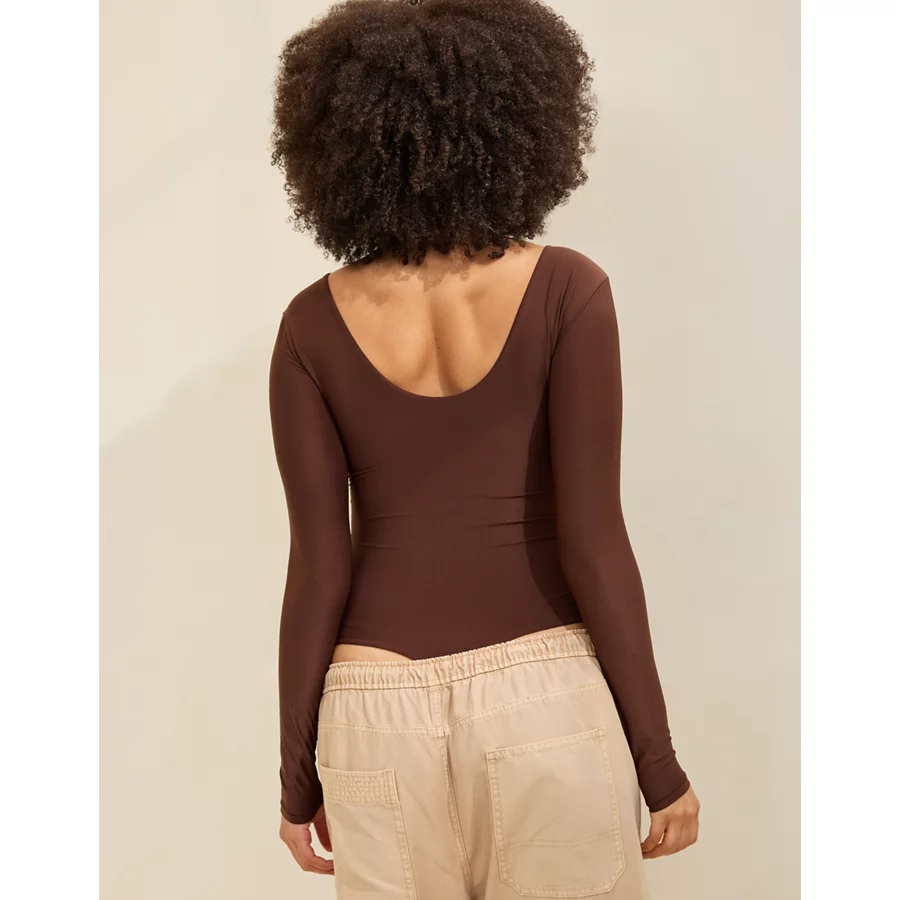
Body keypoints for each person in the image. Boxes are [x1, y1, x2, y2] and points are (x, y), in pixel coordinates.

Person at [267, 1, 700, 896]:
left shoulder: (310, 324)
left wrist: (296, 781)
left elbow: (318, 567)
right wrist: (659, 764)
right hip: (542, 696)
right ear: (520, 126)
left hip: (372, 709)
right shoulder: (567, 289)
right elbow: (593, 538)